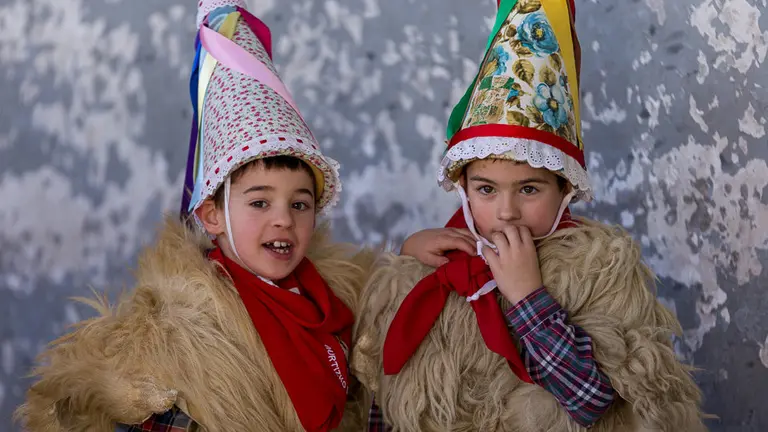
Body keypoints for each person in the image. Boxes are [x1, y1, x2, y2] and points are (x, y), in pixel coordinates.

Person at [15, 2, 468, 431]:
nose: (283, 220)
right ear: (211, 215)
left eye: (300, 204)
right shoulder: (177, 336)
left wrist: (407, 257)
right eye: (258, 202)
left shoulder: (336, 297)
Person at [351, 0, 706, 430]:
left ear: (565, 190)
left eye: (530, 189)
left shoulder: (597, 272)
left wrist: (528, 299)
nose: (506, 211)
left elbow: (591, 402)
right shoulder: (442, 258)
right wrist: (409, 260)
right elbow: (388, 399)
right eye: (485, 189)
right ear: (462, 190)